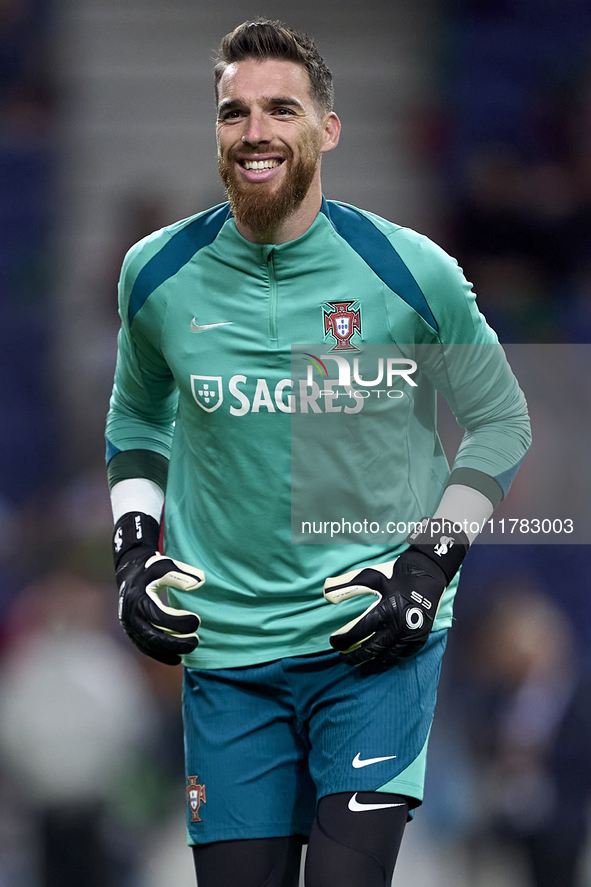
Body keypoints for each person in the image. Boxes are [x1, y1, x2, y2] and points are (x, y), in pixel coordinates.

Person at [105, 19, 531, 887]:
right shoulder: (154, 274)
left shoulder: (410, 270)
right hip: (225, 653)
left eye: (280, 109)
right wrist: (133, 550)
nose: (254, 131)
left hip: (368, 641)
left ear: (325, 128)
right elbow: (137, 422)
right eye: (234, 113)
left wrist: (425, 568)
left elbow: (501, 422)